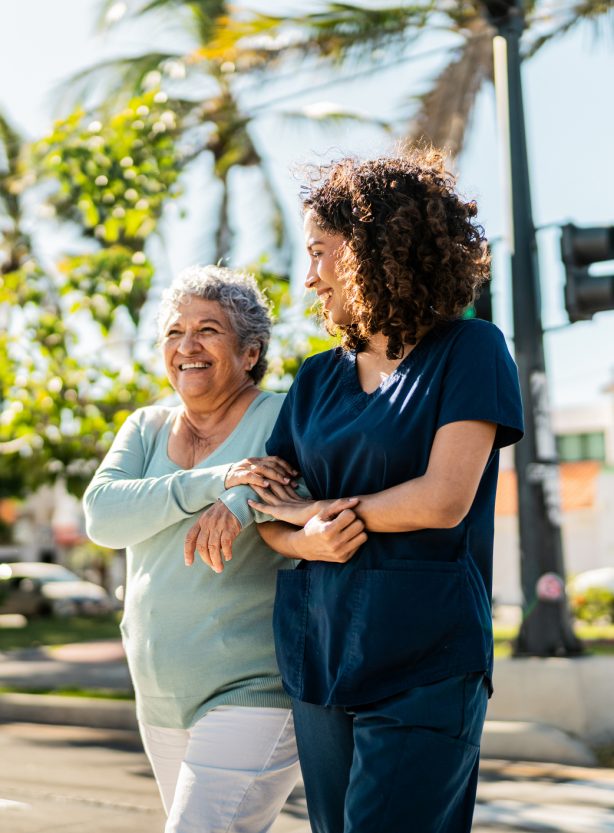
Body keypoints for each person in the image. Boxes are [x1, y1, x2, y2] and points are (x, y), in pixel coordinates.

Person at [246, 148, 525, 833]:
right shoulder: (315, 378)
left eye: (320, 251)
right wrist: (302, 536)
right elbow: (266, 508)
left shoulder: (470, 349)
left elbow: (442, 498)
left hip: (426, 660)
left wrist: (315, 513)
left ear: (372, 250)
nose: (308, 276)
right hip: (321, 656)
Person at [83, 265, 302, 833]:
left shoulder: (280, 416)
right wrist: (218, 480)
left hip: (252, 688)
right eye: (174, 332)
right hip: (158, 695)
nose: (187, 346)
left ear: (250, 352)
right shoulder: (146, 427)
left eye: (208, 330)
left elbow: (287, 488)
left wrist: (240, 497)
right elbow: (103, 514)